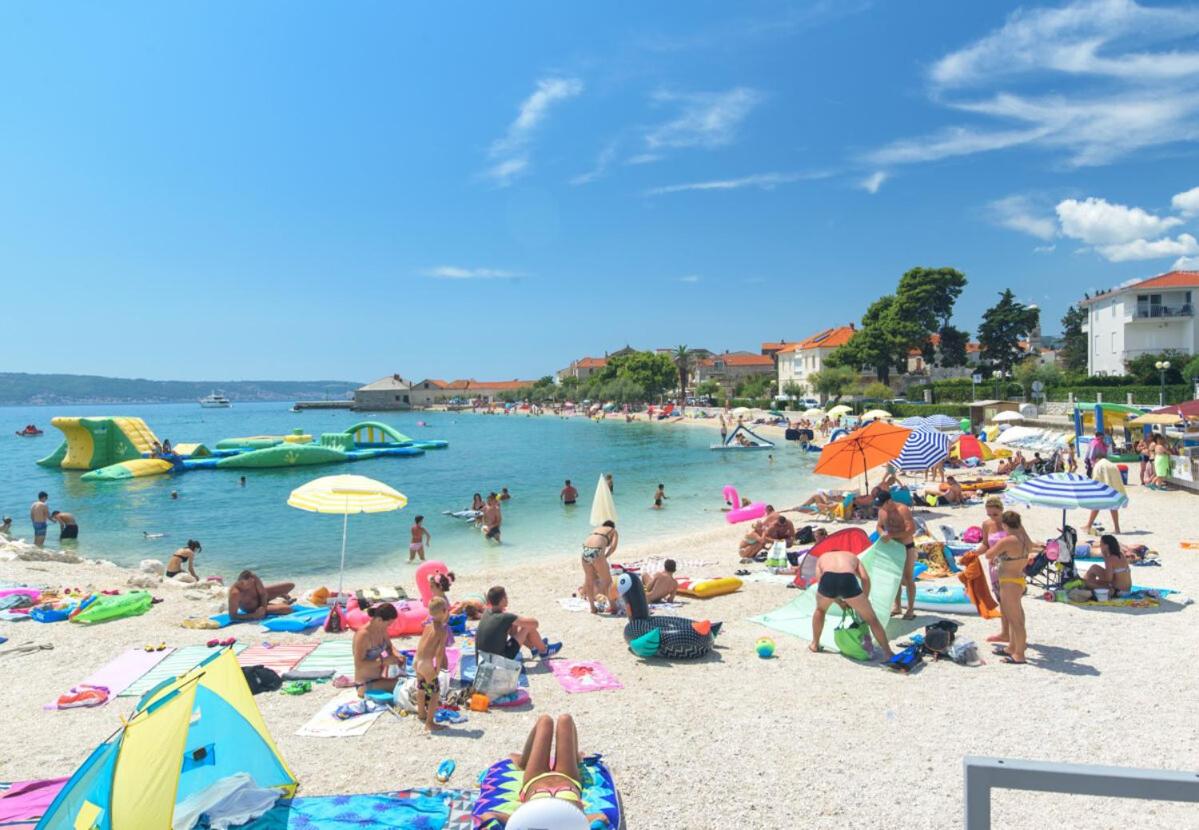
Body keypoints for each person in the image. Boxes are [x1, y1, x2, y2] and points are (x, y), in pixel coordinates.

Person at [476, 714, 609, 829]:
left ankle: (523, 762)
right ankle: (576, 759)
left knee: (545, 721)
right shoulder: (572, 824)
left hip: (534, 779)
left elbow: (488, 815)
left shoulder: (525, 822)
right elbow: (601, 818)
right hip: (567, 778)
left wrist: (494, 825)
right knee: (565, 720)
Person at [809, 550, 893, 659]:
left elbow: (821, 583)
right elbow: (865, 578)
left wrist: (839, 602)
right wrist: (864, 599)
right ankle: (887, 653)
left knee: (820, 610)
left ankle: (815, 644)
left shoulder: (823, 557)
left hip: (828, 578)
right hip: (847, 579)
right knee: (872, 619)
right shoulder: (852, 556)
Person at [982, 510, 1033, 664]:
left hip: (1009, 582)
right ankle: (1012, 647)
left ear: (1005, 524)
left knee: (1016, 620)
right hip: (1018, 579)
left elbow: (988, 554)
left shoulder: (1008, 541)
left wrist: (997, 552)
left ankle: (1019, 654)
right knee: (1015, 616)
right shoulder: (1025, 539)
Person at [477, 586, 559, 659]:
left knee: (516, 626)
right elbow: (535, 623)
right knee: (528, 626)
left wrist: (514, 623)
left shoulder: (487, 612)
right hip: (499, 661)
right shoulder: (505, 617)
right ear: (502, 600)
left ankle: (534, 648)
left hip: (483, 659)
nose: (507, 598)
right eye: (506, 597)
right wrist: (517, 619)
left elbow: (513, 633)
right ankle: (544, 651)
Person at [876, 492, 916, 619]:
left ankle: (910, 609)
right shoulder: (882, 511)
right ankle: (897, 606)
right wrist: (882, 533)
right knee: (895, 577)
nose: (880, 507)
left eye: (882, 504)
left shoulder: (902, 509)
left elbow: (911, 529)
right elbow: (879, 526)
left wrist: (892, 535)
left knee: (908, 578)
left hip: (906, 547)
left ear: (889, 501)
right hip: (892, 548)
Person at [414, 597, 451, 732]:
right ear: (444, 611)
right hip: (427, 664)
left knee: (421, 687)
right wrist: (438, 667)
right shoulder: (442, 630)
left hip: (417, 660)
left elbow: (421, 645)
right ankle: (430, 723)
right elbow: (440, 652)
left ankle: (421, 713)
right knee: (435, 692)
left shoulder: (427, 626)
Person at [352, 601, 402, 696]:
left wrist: (397, 655)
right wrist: (383, 661)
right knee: (403, 685)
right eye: (388, 624)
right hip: (365, 684)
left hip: (382, 677)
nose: (389, 627)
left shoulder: (382, 629)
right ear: (379, 620)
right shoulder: (363, 636)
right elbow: (359, 664)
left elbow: (390, 646)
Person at [580, 521, 619, 614]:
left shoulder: (596, 529)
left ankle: (592, 607)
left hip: (585, 552)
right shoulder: (613, 531)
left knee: (589, 581)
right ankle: (613, 607)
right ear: (612, 527)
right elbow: (613, 547)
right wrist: (605, 556)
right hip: (597, 552)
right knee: (608, 582)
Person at [228, 570, 296, 620]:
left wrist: (263, 607)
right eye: (249, 584)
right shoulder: (235, 593)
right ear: (241, 582)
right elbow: (233, 616)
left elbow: (263, 594)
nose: (252, 584)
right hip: (254, 607)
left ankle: (280, 598)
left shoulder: (253, 578)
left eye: (252, 582)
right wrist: (253, 615)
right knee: (288, 609)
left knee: (290, 585)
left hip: (262, 599)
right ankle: (283, 602)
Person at [1083, 457, 1124, 533]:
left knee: (1096, 505)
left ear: (1095, 460)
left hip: (1103, 486)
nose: (1091, 465)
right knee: (1113, 506)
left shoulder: (1098, 466)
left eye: (1092, 463)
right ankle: (1117, 528)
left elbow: (1096, 479)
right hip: (1112, 487)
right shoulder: (1110, 464)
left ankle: (1088, 525)